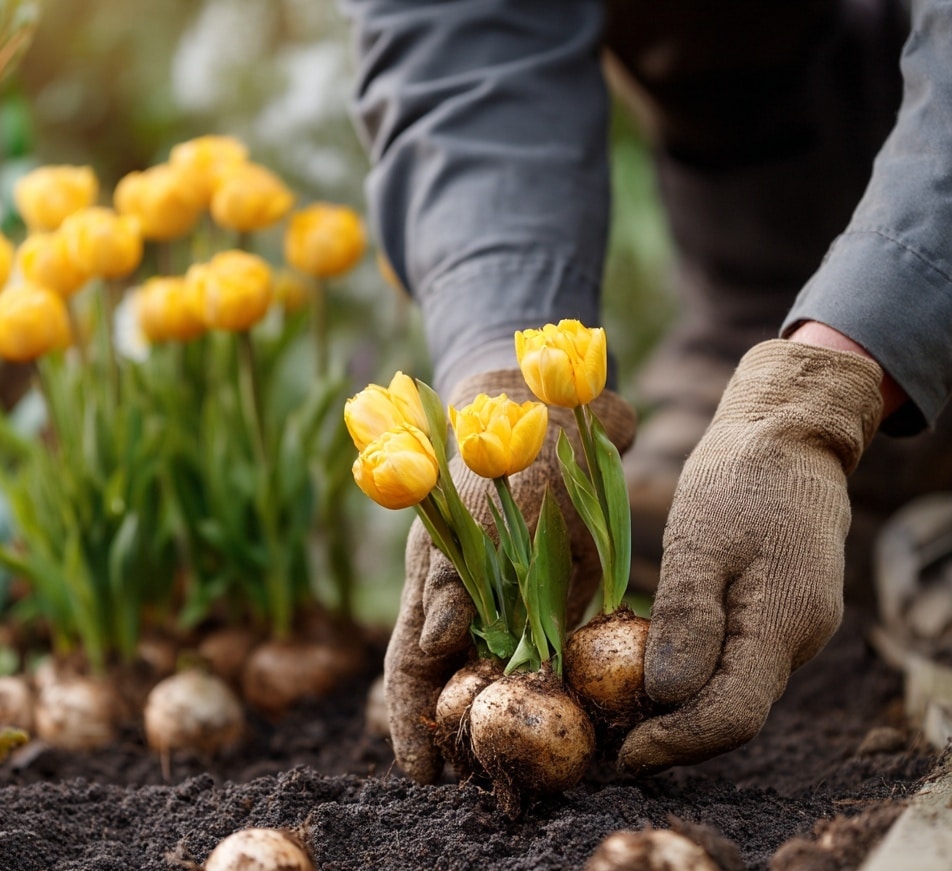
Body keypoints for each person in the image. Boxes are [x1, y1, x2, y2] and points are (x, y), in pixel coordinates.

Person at [337, 0, 952, 781]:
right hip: (758, 253)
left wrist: (820, 398)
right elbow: (463, 39)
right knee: (675, 557)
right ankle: (763, 347)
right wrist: (510, 374)